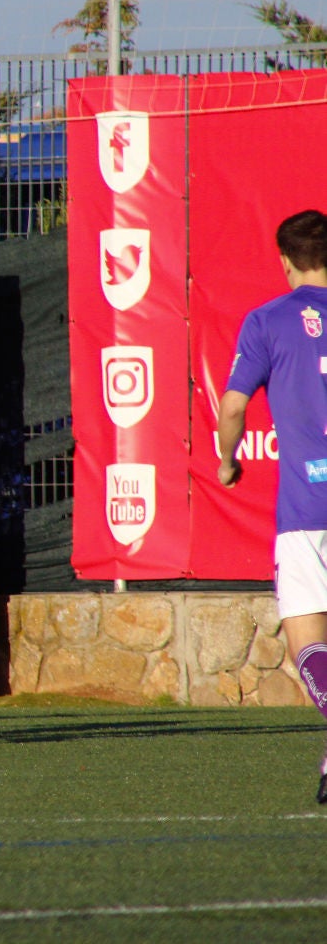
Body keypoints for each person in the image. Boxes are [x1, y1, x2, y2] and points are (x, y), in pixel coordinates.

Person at [217, 208, 327, 805]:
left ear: (285, 261)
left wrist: (227, 461)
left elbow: (233, 407)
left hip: (309, 510)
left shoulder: (267, 321)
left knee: (306, 642)